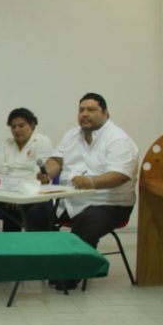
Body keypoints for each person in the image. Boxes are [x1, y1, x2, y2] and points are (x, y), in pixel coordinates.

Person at [37, 93, 139, 290]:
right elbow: (56, 160)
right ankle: (49, 266)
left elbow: (120, 175)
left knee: (87, 221)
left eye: (91, 110)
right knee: (37, 212)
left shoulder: (118, 139)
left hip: (109, 203)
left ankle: (71, 275)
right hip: (72, 199)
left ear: (105, 112)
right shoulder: (72, 135)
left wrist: (91, 182)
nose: (84, 114)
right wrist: (47, 173)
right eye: (81, 110)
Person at [0, 107, 54, 232]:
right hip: (6, 192)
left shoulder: (42, 141)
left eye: (21, 125)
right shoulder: (7, 143)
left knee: (16, 211)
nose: (17, 130)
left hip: (32, 195)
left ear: (32, 125)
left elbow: (37, 174)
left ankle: (15, 248)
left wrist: (17, 194)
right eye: (13, 127)